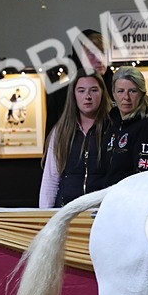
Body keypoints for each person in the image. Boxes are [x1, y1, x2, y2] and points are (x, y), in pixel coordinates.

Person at [39, 75, 120, 207]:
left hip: (102, 211)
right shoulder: (61, 131)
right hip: (66, 211)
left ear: (102, 93)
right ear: (74, 95)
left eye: (94, 90)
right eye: (81, 91)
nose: (87, 96)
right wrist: (45, 216)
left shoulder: (114, 129)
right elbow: (51, 178)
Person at [103, 66, 148, 185]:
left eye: (132, 91)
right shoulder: (111, 124)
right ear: (113, 94)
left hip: (132, 198)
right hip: (109, 198)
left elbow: (143, 176)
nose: (126, 97)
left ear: (142, 94)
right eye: (120, 91)